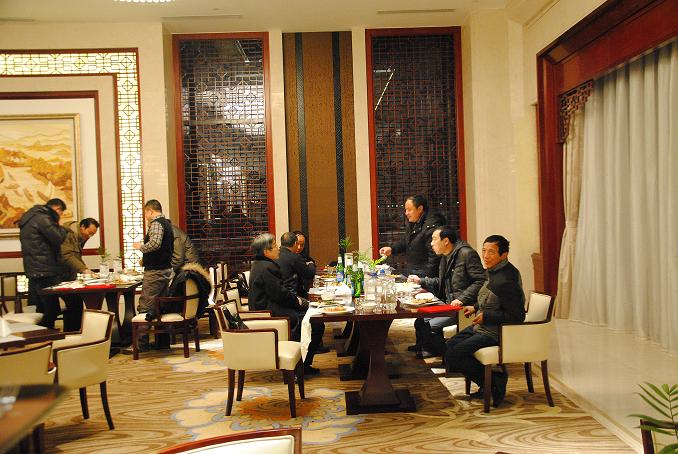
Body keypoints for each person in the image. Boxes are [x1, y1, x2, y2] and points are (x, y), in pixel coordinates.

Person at [444, 235, 525, 407]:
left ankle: (494, 382)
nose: (486, 256)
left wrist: (487, 316)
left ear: (504, 255)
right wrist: (475, 307)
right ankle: (487, 382)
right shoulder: (493, 270)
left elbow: (517, 316)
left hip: (496, 332)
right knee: (449, 348)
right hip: (482, 326)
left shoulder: (506, 280)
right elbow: (489, 298)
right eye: (484, 251)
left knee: (455, 354)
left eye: (491, 252)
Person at [407, 226, 486, 358]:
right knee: (420, 320)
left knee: (429, 324)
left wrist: (462, 299)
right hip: (448, 304)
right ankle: (423, 346)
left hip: (463, 307)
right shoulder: (446, 256)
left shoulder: (466, 254)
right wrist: (421, 281)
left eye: (434, 239)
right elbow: (442, 282)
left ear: (446, 241)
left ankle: (440, 352)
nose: (431, 243)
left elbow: (481, 280)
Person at [249, 233, 319, 374]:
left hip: (266, 307)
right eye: (275, 246)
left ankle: (301, 365)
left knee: (309, 313)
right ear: (266, 251)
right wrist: (299, 301)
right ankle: (301, 367)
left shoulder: (260, 264)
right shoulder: (267, 267)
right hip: (268, 312)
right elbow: (280, 295)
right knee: (314, 322)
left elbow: (279, 293)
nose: (278, 249)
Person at [278, 232, 328, 373]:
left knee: (315, 316)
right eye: (298, 244)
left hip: (281, 301)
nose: (300, 247)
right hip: (290, 302)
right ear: (294, 244)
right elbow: (309, 273)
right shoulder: (293, 257)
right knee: (317, 324)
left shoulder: (276, 257)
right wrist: (311, 264)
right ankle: (304, 365)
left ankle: (302, 363)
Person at [18, 198, 70, 329]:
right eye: (61, 213)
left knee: (44, 307)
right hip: (45, 269)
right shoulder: (43, 218)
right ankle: (56, 333)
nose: (60, 215)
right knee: (55, 307)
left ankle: (44, 334)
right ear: (57, 209)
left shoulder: (31, 217)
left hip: (35, 268)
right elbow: (58, 237)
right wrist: (63, 227)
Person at [132, 200, 174, 351]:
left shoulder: (156, 223)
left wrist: (140, 247)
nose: (145, 216)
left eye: (145, 213)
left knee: (146, 306)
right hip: (165, 270)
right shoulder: (167, 223)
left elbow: (155, 244)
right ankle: (163, 342)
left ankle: (141, 345)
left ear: (150, 211)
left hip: (155, 272)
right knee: (160, 306)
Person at [378, 194, 446, 277]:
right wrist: (392, 249)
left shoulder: (431, 225)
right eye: (405, 210)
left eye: (409, 210)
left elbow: (434, 255)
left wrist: (427, 279)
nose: (406, 213)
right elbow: (407, 241)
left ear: (420, 209)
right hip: (414, 268)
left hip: (425, 271)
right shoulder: (414, 221)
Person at [58, 217, 100, 331]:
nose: (90, 236)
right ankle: (72, 334)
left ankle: (73, 333)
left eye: (93, 234)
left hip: (68, 275)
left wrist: (86, 269)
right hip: (58, 276)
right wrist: (84, 270)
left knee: (75, 303)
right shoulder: (68, 234)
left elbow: (76, 257)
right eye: (89, 233)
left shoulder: (80, 236)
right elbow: (67, 255)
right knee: (74, 303)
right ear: (82, 227)